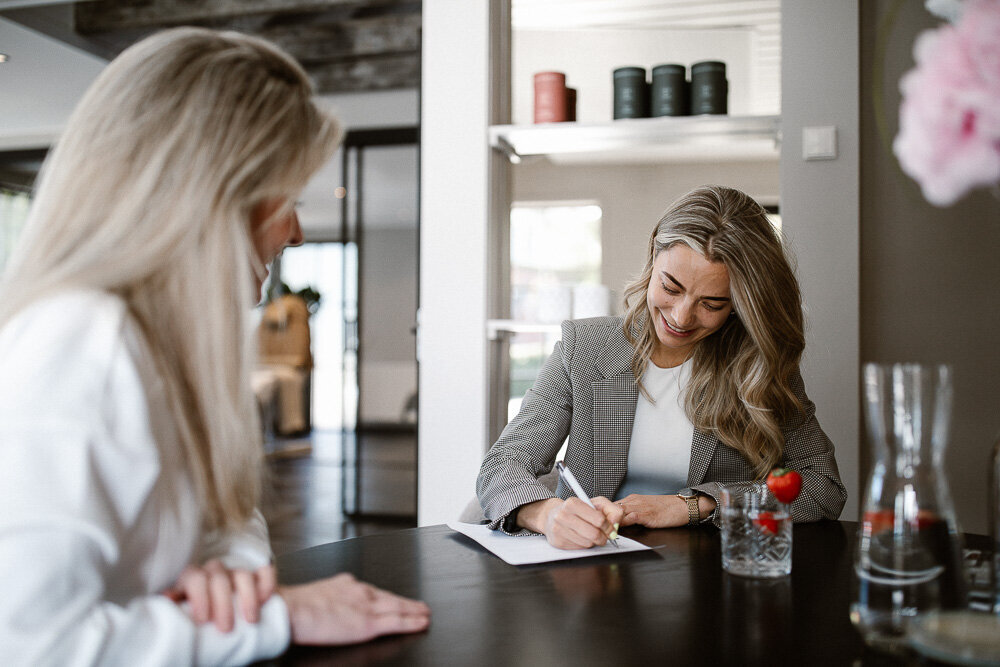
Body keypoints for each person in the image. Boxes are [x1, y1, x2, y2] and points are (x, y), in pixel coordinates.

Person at [0, 27, 429, 664]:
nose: (298, 231)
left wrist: (233, 576)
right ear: (216, 194)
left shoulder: (164, 345)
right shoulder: (81, 340)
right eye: (290, 199)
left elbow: (225, 521)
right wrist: (270, 615)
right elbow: (29, 644)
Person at [477, 185, 847, 550]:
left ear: (738, 304)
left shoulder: (756, 365)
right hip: (594, 569)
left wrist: (692, 506)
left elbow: (823, 486)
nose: (681, 317)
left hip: (709, 579)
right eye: (671, 287)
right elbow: (502, 465)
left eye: (712, 304)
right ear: (654, 253)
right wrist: (545, 513)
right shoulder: (584, 348)